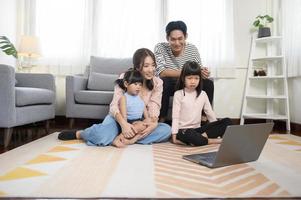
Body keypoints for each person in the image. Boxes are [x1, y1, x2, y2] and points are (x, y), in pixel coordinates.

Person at [58, 48, 171, 146]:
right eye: (146, 66)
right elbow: (114, 105)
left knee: (166, 130)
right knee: (100, 136)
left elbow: (154, 107)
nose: (151, 69)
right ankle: (81, 134)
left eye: (153, 65)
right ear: (137, 67)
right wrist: (124, 125)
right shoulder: (125, 78)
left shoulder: (157, 82)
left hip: (139, 123)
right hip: (119, 119)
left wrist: (153, 124)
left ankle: (125, 138)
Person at [154, 20, 214, 122]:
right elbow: (162, 72)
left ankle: (203, 119)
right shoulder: (160, 47)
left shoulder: (192, 49)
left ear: (185, 36)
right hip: (169, 84)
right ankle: (161, 120)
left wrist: (202, 73)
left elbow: (197, 71)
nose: (177, 43)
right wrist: (187, 71)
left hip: (186, 83)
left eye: (180, 39)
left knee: (208, 83)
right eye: (173, 39)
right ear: (167, 38)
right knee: (164, 81)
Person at [171, 61, 232, 146]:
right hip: (183, 131)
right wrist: (174, 135)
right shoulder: (178, 94)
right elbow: (175, 116)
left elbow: (209, 113)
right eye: (189, 78)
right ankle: (211, 141)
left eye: (196, 78)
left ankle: (200, 139)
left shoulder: (203, 94)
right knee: (190, 134)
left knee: (227, 121)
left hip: (198, 130)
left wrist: (215, 127)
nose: (193, 81)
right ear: (183, 78)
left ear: (200, 79)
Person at [112, 69, 150, 147]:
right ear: (126, 84)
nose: (138, 87)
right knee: (139, 126)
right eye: (135, 84)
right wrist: (126, 126)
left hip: (138, 121)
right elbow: (124, 116)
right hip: (129, 122)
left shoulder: (140, 97)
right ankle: (118, 139)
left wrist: (148, 121)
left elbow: (144, 111)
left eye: (140, 85)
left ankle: (132, 140)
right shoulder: (124, 97)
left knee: (146, 125)